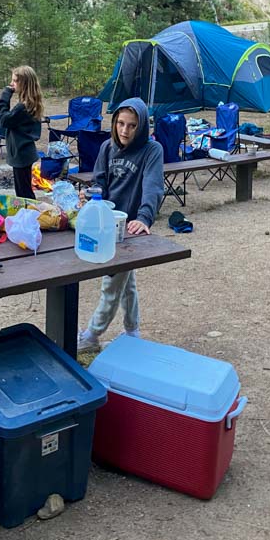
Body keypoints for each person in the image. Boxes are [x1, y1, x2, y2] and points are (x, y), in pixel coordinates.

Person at [77, 97, 164, 352]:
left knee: (112, 283)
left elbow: (153, 186)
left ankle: (92, 336)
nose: (125, 131)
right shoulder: (107, 147)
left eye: (132, 125)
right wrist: (91, 194)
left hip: (131, 227)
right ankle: (132, 331)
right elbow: (100, 182)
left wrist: (144, 217)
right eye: (121, 124)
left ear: (142, 126)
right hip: (108, 225)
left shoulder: (151, 150)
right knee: (127, 282)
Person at [0, 66, 44, 199]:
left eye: (14, 81)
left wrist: (5, 95)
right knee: (23, 190)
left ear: (24, 83)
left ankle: (31, 216)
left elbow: (4, 120)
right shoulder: (29, 104)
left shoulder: (23, 107)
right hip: (23, 151)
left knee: (24, 193)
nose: (11, 84)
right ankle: (27, 215)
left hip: (22, 152)